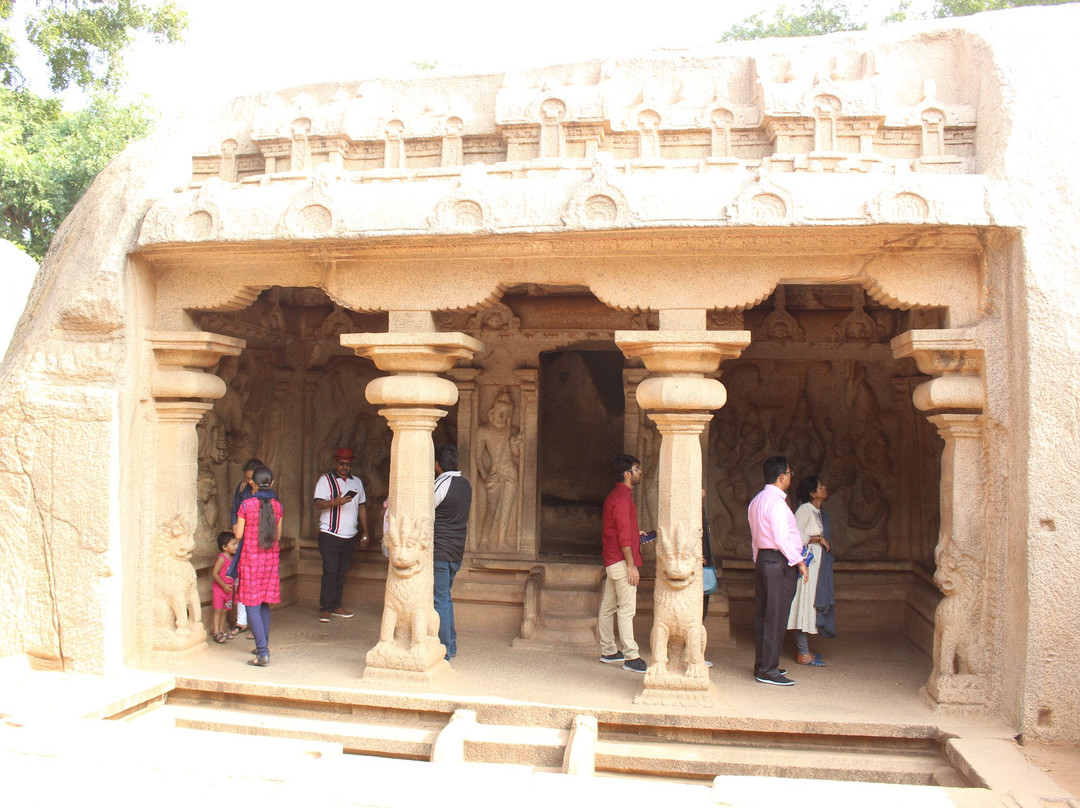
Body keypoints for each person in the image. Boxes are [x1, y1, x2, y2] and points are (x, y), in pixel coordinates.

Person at [748, 455, 807, 686]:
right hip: (779, 561)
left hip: (764, 558)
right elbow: (782, 538)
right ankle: (768, 670)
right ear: (782, 476)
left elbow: (755, 537)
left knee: (764, 614)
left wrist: (758, 560)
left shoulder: (757, 500)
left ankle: (763, 664)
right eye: (790, 474)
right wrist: (799, 561)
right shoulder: (777, 503)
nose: (791, 478)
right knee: (776, 615)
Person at [598, 453, 648, 674]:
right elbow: (624, 539)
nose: (639, 473)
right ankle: (631, 655)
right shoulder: (623, 499)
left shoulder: (615, 496)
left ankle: (608, 650)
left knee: (608, 607)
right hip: (621, 561)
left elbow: (621, 530)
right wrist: (631, 566)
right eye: (637, 469)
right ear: (627, 474)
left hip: (612, 559)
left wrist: (636, 535)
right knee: (627, 610)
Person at [234, 466, 282, 667]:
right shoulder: (278, 506)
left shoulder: (246, 505)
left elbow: (238, 535)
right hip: (270, 560)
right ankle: (264, 644)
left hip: (251, 559)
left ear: (252, 482)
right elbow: (278, 536)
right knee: (263, 603)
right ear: (271, 483)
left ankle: (262, 652)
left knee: (251, 603)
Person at [313, 447, 369, 622]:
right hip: (330, 533)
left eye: (348, 464)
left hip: (349, 534)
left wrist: (366, 531)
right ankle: (326, 608)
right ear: (335, 462)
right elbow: (317, 504)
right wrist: (334, 502)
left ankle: (336, 604)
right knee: (330, 570)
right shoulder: (325, 480)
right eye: (342, 463)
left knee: (341, 572)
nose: (345, 467)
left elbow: (362, 506)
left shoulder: (356, 482)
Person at [433, 444, 472, 662]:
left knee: (440, 600)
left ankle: (445, 650)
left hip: (440, 550)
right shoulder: (465, 484)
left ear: (437, 465)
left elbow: (424, 509)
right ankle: (451, 644)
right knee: (445, 598)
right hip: (456, 549)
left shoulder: (441, 484)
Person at [787, 476, 831, 666]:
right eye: (820, 486)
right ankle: (803, 653)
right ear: (812, 493)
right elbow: (794, 535)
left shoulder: (818, 512)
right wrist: (816, 539)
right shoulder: (804, 510)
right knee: (804, 606)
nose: (824, 488)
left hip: (817, 568)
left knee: (810, 606)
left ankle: (805, 650)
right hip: (806, 566)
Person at [210, 532, 238, 644]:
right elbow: (215, 573)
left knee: (225, 611)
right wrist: (223, 585)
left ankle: (221, 630)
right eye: (233, 544)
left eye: (236, 544)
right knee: (218, 610)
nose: (236, 546)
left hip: (229, 590)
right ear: (224, 547)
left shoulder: (232, 558)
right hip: (219, 589)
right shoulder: (221, 558)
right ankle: (216, 632)